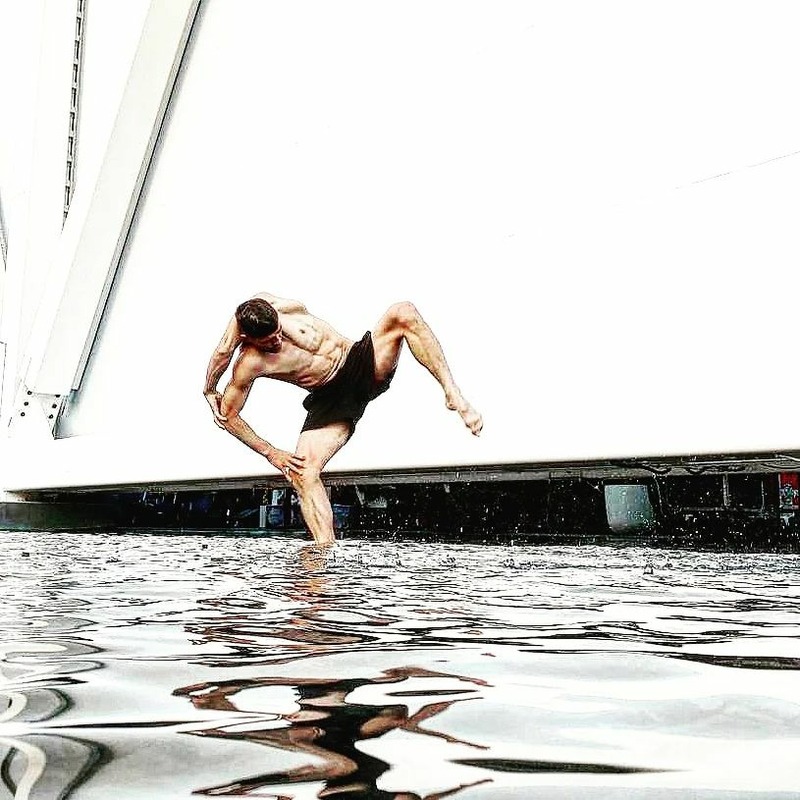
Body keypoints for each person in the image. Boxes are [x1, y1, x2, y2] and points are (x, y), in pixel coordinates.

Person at [204, 293, 482, 545]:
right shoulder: (249, 362)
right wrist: (271, 452)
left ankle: (452, 392)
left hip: (360, 362)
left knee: (403, 311)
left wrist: (240, 326)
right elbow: (227, 415)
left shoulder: (281, 307)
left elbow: (243, 325)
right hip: (332, 398)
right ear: (247, 338)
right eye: (268, 342)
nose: (278, 341)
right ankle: (325, 551)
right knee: (302, 472)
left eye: (277, 332)